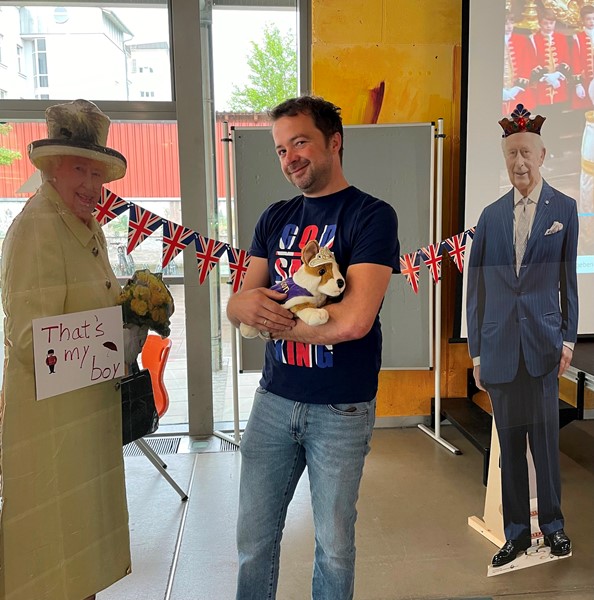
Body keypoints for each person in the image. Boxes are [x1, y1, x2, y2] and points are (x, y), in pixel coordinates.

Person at [226, 95, 400, 599]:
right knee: (253, 541)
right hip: (273, 400)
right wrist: (240, 308)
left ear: (334, 142)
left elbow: (353, 321)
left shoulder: (371, 216)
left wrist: (270, 322)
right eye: (281, 150)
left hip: (341, 408)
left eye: (300, 142)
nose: (290, 158)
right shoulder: (274, 217)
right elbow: (241, 301)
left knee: (334, 546)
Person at [0, 99, 134, 600]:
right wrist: (113, 341)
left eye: (96, 174)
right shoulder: (38, 227)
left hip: (80, 417)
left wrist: (129, 319)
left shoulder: (79, 221)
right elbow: (29, 339)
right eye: (80, 169)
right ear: (51, 168)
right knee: (54, 560)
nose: (92, 186)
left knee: (78, 555)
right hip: (52, 426)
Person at [466, 103, 579, 568]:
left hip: (544, 348)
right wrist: (476, 352)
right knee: (509, 446)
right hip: (499, 350)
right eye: (512, 153)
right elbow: (476, 288)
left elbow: (568, 281)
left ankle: (553, 526)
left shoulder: (564, 209)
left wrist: (567, 340)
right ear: (504, 157)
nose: (519, 162)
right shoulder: (490, 216)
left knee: (545, 445)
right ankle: (514, 533)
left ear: (542, 154)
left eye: (526, 153)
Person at [529, 8, 572, 108]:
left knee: (559, 110)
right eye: (545, 23)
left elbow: (566, 59)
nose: (548, 26)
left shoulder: (561, 38)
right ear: (540, 23)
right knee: (543, 112)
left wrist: (558, 74)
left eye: (551, 23)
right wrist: (546, 77)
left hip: (559, 83)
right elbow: (532, 61)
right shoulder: (533, 39)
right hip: (541, 85)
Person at [503, 10, 535, 116]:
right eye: (506, 23)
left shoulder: (521, 40)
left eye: (511, 23)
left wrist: (516, 89)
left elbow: (527, 65)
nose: (509, 27)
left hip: (518, 93)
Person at [572, 4, 594, 109]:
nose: (592, 21)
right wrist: (578, 84)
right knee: (587, 110)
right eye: (588, 19)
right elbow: (575, 61)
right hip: (586, 80)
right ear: (583, 20)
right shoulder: (578, 38)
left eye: (593, 18)